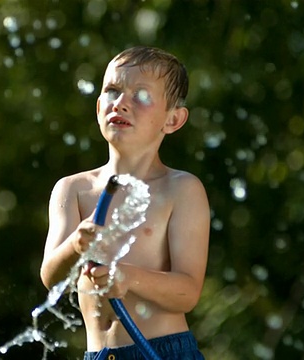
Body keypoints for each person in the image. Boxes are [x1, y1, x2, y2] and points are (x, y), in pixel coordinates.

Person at [39, 46, 209, 360]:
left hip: (161, 352)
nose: (121, 103)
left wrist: (127, 278)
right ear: (98, 106)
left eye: (140, 96)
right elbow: (51, 276)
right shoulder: (73, 189)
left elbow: (188, 293)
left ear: (173, 119)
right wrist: (76, 245)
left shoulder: (181, 189)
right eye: (112, 91)